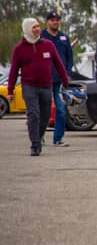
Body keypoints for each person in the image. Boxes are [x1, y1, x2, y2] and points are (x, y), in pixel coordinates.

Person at [7, 18, 70, 156]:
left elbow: (58, 64)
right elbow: (13, 71)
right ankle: (35, 145)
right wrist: (10, 90)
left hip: (46, 85)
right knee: (33, 114)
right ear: (27, 29)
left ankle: (39, 136)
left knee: (45, 116)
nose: (37, 29)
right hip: (29, 86)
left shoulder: (48, 45)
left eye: (38, 26)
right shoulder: (19, 49)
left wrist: (65, 80)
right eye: (34, 27)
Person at [40, 10, 74, 147]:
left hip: (60, 80)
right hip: (44, 80)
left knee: (61, 109)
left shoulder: (63, 38)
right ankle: (39, 136)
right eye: (52, 20)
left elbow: (69, 57)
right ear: (47, 21)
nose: (55, 22)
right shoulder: (41, 37)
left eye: (57, 20)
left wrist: (68, 73)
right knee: (44, 110)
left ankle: (58, 139)